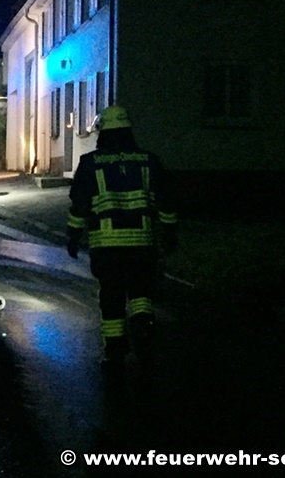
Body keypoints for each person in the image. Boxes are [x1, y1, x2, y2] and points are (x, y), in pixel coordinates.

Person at [67, 105, 178, 374]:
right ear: (128, 130)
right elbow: (165, 200)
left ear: (102, 133)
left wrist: (73, 235)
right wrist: (170, 232)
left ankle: (115, 353)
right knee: (141, 292)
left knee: (112, 297)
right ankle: (143, 326)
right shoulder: (148, 160)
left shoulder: (90, 163)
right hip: (142, 243)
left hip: (107, 246)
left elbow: (80, 204)